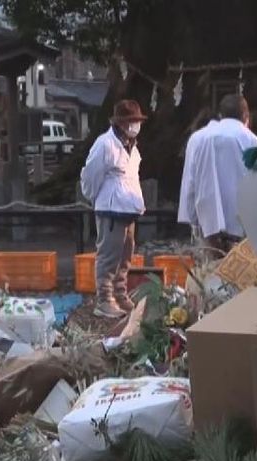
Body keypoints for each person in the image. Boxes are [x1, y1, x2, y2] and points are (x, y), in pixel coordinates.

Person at [80, 99, 147, 319]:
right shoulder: (105, 144)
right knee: (108, 255)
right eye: (132, 121)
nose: (135, 125)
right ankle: (104, 298)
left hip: (129, 208)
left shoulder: (132, 147)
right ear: (121, 123)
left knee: (126, 255)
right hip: (110, 209)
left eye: (137, 121)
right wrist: (95, 197)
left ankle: (120, 293)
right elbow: (91, 175)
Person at [178, 94, 257, 252]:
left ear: (221, 115)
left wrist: (192, 218)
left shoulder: (197, 138)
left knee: (208, 272)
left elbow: (189, 182)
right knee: (238, 272)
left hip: (206, 224)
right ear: (246, 117)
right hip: (241, 226)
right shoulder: (252, 141)